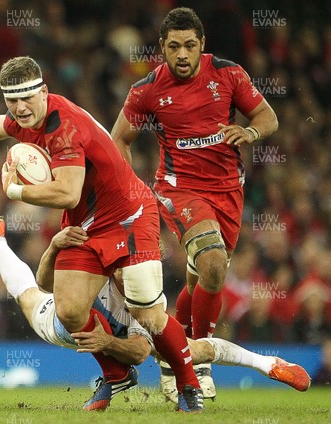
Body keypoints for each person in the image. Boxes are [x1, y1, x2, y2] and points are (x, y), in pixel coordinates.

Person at [0, 56, 204, 412]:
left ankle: (189, 384)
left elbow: (67, 193)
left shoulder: (64, 127)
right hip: (85, 224)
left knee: (148, 313)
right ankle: (116, 374)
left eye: (27, 99)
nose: (19, 108)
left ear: (44, 92)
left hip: (129, 215)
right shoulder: (24, 117)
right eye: (12, 101)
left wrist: (15, 191)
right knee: (68, 310)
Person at [111, 7, 279, 401]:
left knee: (205, 279)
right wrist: (130, 190)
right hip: (178, 189)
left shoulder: (228, 74)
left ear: (202, 45)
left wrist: (249, 130)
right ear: (162, 49)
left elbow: (268, 117)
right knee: (214, 264)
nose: (182, 54)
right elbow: (120, 139)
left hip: (228, 192)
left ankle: (174, 352)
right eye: (174, 47)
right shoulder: (147, 89)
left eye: (189, 45)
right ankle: (198, 361)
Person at [0, 217, 311, 410]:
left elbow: (139, 352)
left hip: (113, 334)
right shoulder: (96, 266)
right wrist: (54, 247)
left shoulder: (143, 293)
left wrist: (106, 341)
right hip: (64, 322)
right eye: (123, 265)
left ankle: (271, 364)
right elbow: (48, 284)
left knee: (196, 348)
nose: (124, 270)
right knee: (30, 297)